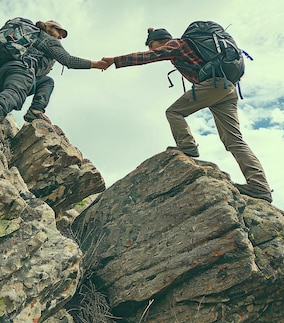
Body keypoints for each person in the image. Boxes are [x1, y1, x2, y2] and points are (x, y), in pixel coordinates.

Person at [102, 27, 273, 203]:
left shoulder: (176, 44)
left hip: (213, 84)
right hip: (227, 87)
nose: (151, 50)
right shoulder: (186, 46)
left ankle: (187, 146)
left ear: (162, 41)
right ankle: (260, 186)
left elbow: (147, 58)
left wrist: (114, 61)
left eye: (152, 45)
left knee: (174, 112)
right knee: (235, 140)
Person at [0, 19, 110, 132]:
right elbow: (68, 60)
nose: (60, 37)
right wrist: (97, 64)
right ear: (49, 27)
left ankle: (35, 111)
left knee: (47, 82)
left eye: (62, 36)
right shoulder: (46, 39)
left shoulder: (29, 36)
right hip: (20, 70)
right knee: (15, 92)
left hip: (0, 73)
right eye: (59, 32)